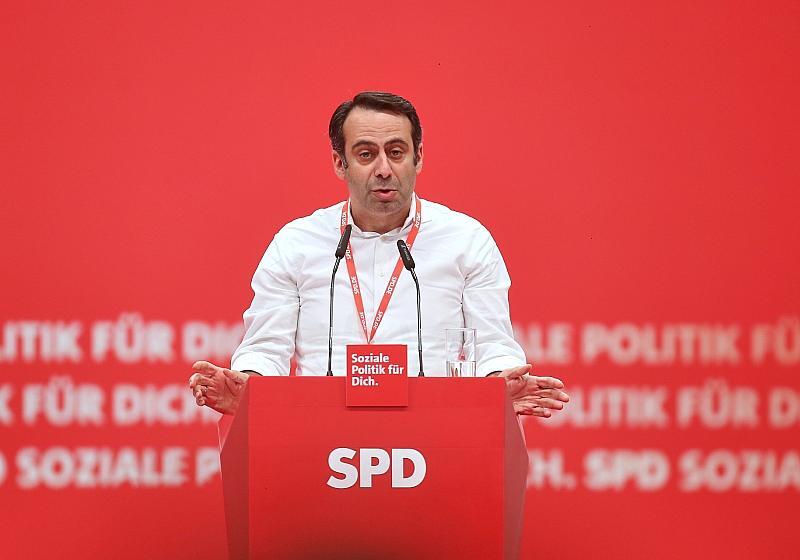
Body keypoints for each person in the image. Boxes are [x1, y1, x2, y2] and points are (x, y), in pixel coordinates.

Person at [189, 91, 569, 417]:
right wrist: (248, 387)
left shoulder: (467, 241)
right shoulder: (296, 243)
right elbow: (265, 350)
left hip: (436, 437)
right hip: (320, 437)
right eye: (366, 154)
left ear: (419, 157)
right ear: (340, 163)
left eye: (397, 152)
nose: (384, 169)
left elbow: (492, 346)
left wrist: (500, 384)